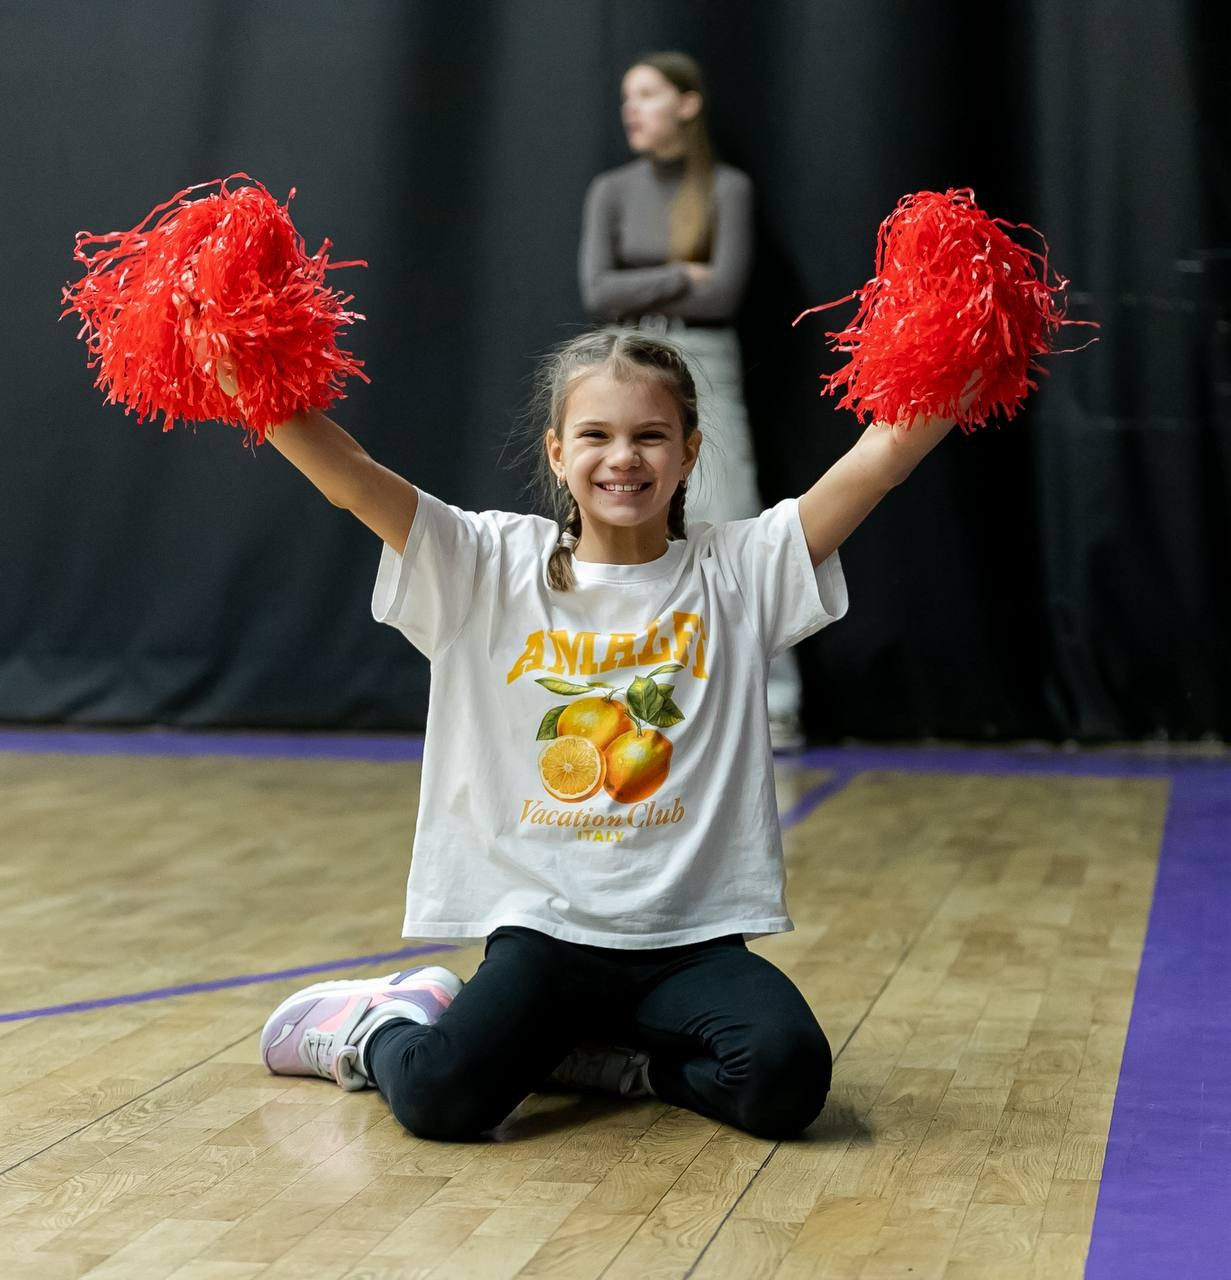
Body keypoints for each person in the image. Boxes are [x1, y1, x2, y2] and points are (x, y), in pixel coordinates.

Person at [244, 328, 958, 1142]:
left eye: (649, 435)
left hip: (690, 943)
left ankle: (611, 1064)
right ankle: (377, 1028)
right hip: (546, 937)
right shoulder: (484, 563)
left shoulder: (738, 571)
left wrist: (953, 354)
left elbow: (879, 462)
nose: (624, 456)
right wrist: (247, 379)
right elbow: (353, 481)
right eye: (596, 435)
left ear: (688, 454)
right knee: (443, 1099)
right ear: (556, 453)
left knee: (784, 1079)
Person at [578, 50, 805, 749]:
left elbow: (724, 293)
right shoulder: (611, 190)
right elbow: (596, 293)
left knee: (728, 517)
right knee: (619, 521)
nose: (632, 109)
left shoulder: (725, 188)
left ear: (686, 103)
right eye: (626, 97)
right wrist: (680, 269)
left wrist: (644, 280)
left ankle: (774, 704)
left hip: (704, 361)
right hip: (623, 363)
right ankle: (620, 691)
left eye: (645, 94)